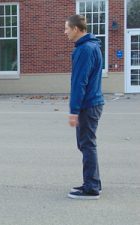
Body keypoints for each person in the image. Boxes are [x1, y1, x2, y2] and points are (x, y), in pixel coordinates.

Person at [64, 15, 105, 200]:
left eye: (67, 28)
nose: (65, 32)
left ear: (76, 29)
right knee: (88, 145)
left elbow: (79, 82)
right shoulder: (93, 46)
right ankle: (93, 182)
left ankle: (91, 188)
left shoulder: (84, 49)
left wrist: (74, 111)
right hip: (94, 103)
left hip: (88, 105)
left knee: (86, 145)